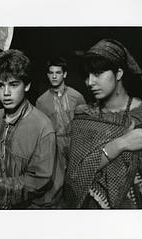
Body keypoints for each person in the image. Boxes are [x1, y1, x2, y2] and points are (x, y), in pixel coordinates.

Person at [63, 39, 142, 209]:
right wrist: (119, 144)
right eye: (87, 75)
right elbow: (75, 176)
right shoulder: (85, 117)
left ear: (119, 73)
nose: (90, 82)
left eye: (97, 73)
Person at [0, 49, 61, 209]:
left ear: (27, 85)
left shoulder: (43, 127)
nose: (6, 93)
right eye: (0, 85)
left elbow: (38, 182)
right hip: (10, 203)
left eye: (13, 84)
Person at [36, 57, 86, 188]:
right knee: (56, 184)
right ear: (47, 75)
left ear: (64, 74)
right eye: (51, 73)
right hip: (54, 146)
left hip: (75, 143)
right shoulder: (41, 102)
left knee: (78, 180)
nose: (54, 76)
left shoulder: (77, 97)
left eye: (58, 72)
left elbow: (85, 124)